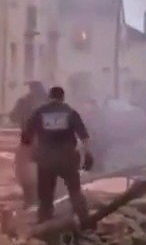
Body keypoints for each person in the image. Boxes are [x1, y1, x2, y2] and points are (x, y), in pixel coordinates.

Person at [19, 86, 94, 228]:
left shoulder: (39, 112)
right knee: (75, 191)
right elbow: (84, 137)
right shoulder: (70, 112)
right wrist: (88, 155)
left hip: (46, 159)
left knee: (45, 194)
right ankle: (85, 221)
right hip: (67, 158)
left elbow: (26, 137)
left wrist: (30, 151)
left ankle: (45, 223)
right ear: (63, 97)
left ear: (49, 97)